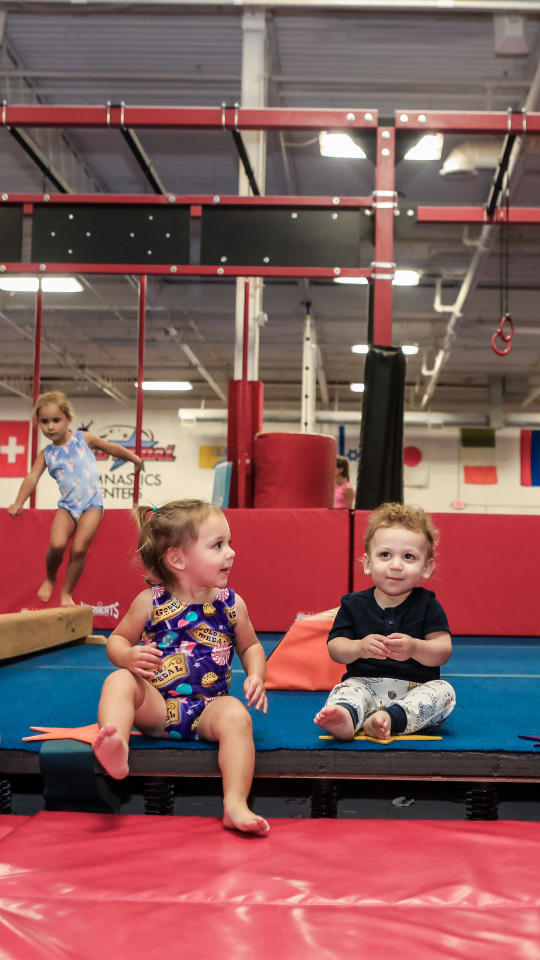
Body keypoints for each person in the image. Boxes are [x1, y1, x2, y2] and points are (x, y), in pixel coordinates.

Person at [93, 499, 270, 835]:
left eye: (229, 542)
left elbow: (250, 646)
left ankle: (234, 802)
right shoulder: (150, 601)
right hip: (157, 705)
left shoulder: (231, 604)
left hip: (209, 709)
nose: (230, 552)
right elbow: (116, 641)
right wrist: (127, 657)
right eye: (218, 545)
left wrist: (257, 674)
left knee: (237, 717)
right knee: (119, 681)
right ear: (177, 559)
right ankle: (115, 744)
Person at [314, 502, 455, 741]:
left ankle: (389, 719)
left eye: (409, 556)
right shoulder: (353, 604)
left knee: (445, 693)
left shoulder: (428, 605)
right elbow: (336, 648)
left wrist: (415, 647)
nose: (396, 565)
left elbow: (442, 651)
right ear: (368, 563)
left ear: (427, 567)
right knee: (346, 691)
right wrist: (358, 647)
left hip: (415, 690)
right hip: (365, 685)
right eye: (385, 555)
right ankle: (345, 716)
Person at [7, 391, 142, 606]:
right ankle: (51, 578)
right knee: (57, 544)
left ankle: (67, 593)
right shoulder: (47, 454)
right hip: (68, 506)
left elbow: (111, 448)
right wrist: (19, 501)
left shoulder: (83, 439)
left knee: (79, 549)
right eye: (44, 422)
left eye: (56, 420)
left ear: (68, 419)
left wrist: (134, 458)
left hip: (92, 506)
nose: (50, 426)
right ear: (38, 423)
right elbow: (32, 477)